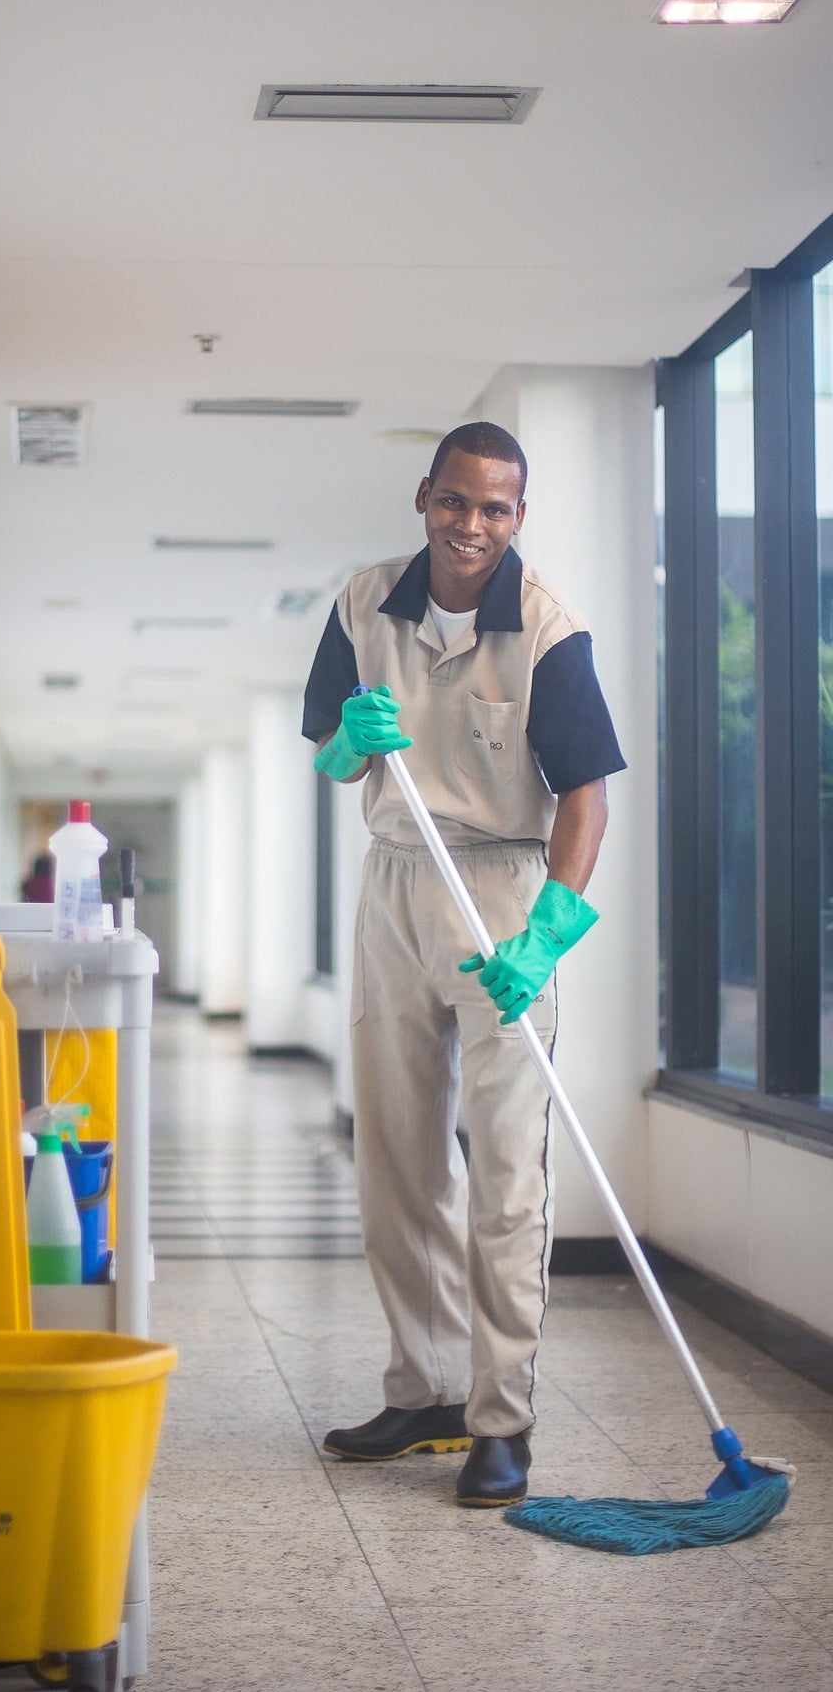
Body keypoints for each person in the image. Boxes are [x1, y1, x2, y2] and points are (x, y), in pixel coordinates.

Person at [302, 420, 625, 1506]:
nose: (471, 524)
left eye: (494, 507)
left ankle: (501, 1418)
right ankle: (428, 1388)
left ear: (517, 516)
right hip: (395, 884)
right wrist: (348, 743)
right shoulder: (363, 605)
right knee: (396, 1157)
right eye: (454, 500)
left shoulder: (547, 629)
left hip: (502, 896)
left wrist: (546, 936)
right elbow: (331, 759)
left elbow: (586, 797)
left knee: (505, 1168)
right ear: (423, 496)